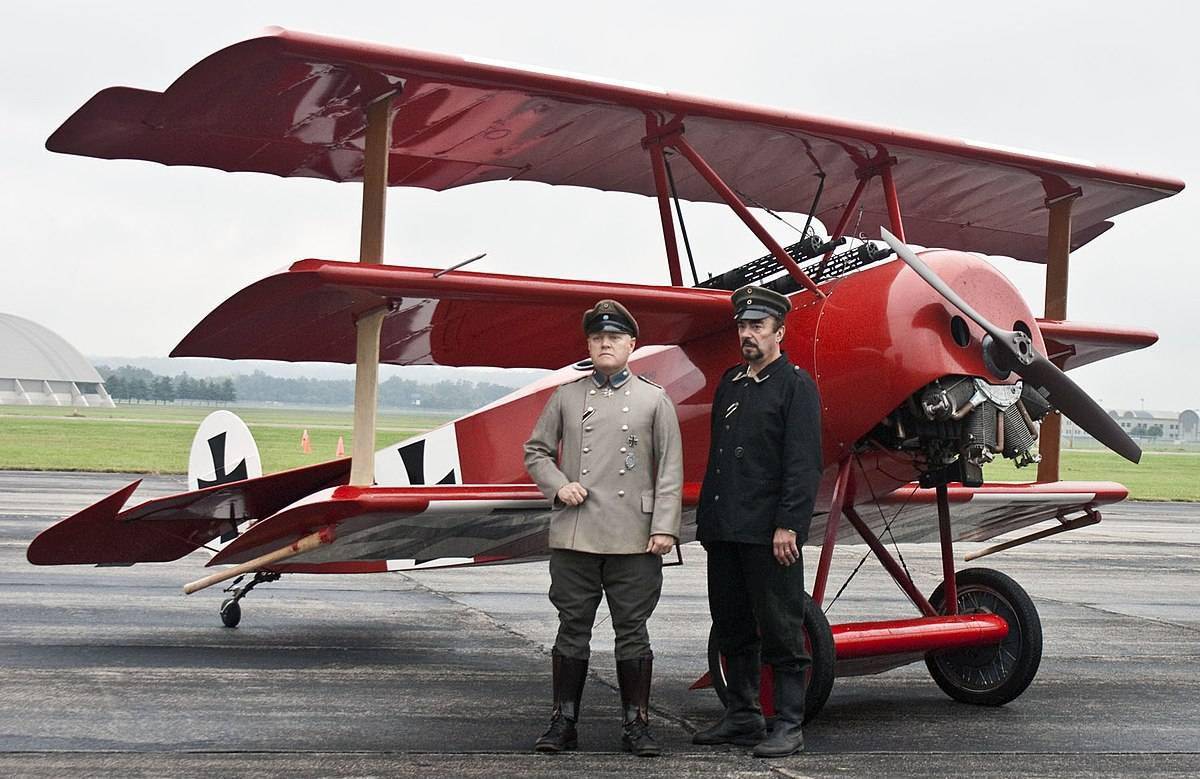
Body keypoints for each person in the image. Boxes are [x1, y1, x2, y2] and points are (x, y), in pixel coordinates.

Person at [524, 298, 683, 758]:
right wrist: (558, 486)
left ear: (632, 345)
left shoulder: (655, 399)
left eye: (614, 337)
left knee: (633, 629)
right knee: (572, 627)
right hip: (576, 532)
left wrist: (665, 527)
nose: (606, 343)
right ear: (589, 345)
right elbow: (535, 451)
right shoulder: (567, 397)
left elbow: (670, 468)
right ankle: (563, 722)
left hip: (635, 536)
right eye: (598, 338)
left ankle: (637, 725)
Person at [692, 284, 823, 758]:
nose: (748, 334)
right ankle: (743, 716)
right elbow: (722, 460)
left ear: (779, 332)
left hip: (770, 534)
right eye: (743, 326)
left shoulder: (796, 385)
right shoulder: (732, 382)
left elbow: (803, 463)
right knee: (731, 625)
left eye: (758, 327)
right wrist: (708, 522)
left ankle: (789, 722)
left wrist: (789, 523)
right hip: (726, 528)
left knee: (782, 627)